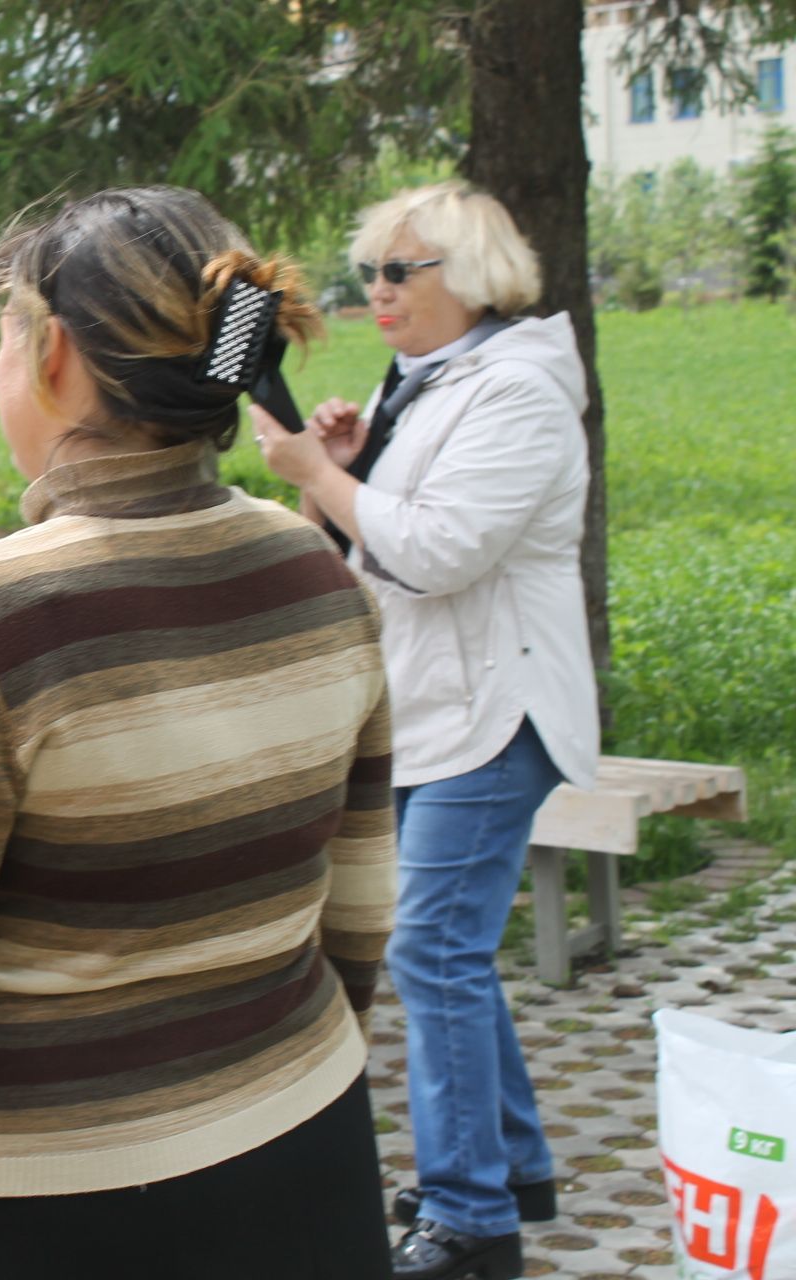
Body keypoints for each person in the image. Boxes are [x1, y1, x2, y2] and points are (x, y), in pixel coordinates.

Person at [0, 186, 397, 1280]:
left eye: (1, 342)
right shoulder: (319, 572)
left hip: (61, 1208)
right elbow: (361, 908)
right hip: (311, 1151)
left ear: (52, 355)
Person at [255, 180, 599, 1280]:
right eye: (370, 272)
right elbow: (364, 540)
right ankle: (515, 1164)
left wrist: (319, 477)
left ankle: (470, 1222)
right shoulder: (423, 381)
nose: (378, 291)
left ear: (476, 275)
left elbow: (440, 551)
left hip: (499, 709)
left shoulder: (521, 391)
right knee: (445, 949)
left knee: (431, 952)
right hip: (434, 710)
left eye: (402, 270)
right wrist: (342, 470)